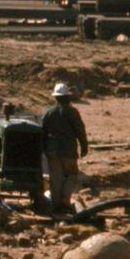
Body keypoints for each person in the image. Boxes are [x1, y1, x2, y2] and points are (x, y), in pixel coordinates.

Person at [41, 83, 89, 213]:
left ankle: (56, 206)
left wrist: (44, 149)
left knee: (55, 179)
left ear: (56, 98)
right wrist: (84, 146)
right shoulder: (72, 112)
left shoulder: (48, 113)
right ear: (68, 97)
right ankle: (65, 200)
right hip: (68, 151)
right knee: (72, 175)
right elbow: (80, 130)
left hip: (53, 152)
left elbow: (42, 132)